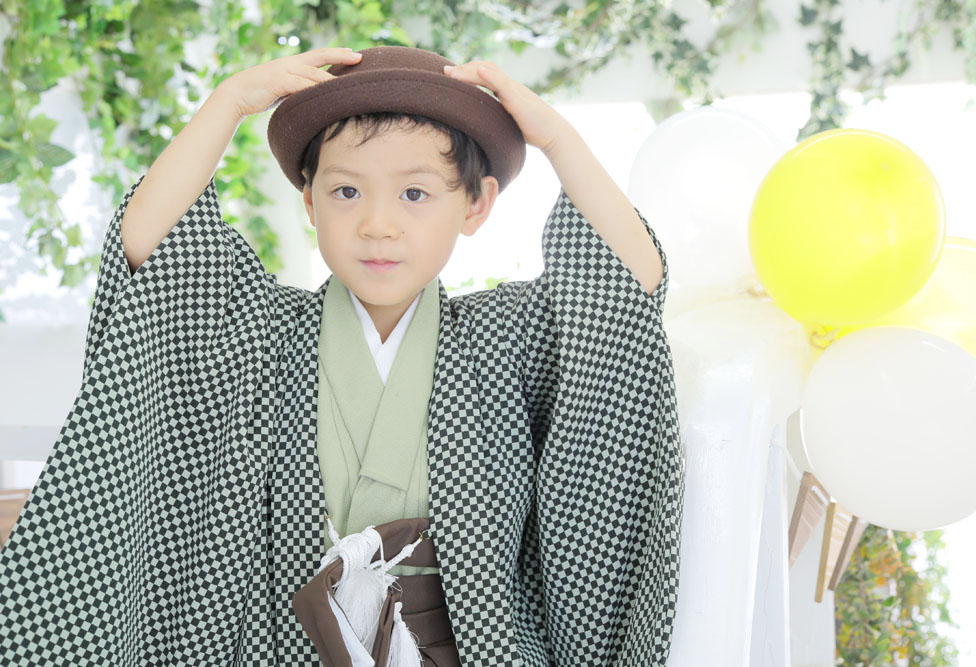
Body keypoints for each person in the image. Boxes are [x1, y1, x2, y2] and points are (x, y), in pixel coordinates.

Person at [0, 45, 685, 666]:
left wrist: (558, 138)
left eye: (415, 193)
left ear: (476, 206)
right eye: (346, 191)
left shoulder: (504, 336)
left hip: (459, 648)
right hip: (284, 645)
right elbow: (152, 246)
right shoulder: (263, 327)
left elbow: (626, 284)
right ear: (310, 203)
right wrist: (227, 103)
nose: (377, 224)